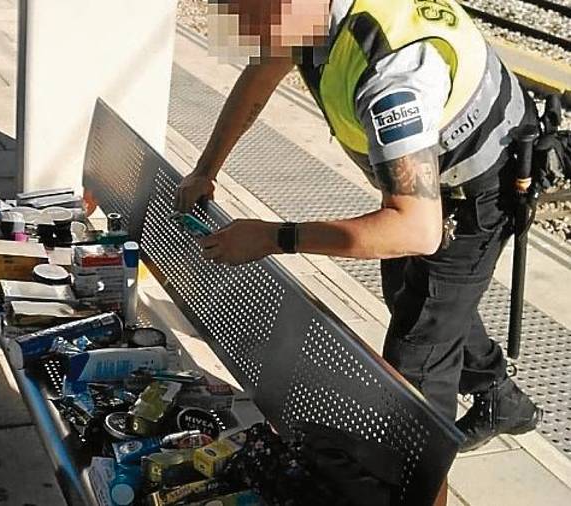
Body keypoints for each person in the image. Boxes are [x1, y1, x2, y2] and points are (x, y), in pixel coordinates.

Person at [175, 0, 542, 452]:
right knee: (414, 293)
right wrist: (205, 169)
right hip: (428, 175)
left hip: (480, 187)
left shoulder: (394, 76)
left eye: (246, 14)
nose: (236, 30)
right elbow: (262, 73)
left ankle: (423, 470)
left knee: (416, 377)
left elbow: (415, 229)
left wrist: (275, 237)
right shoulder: (303, 19)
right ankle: (499, 397)